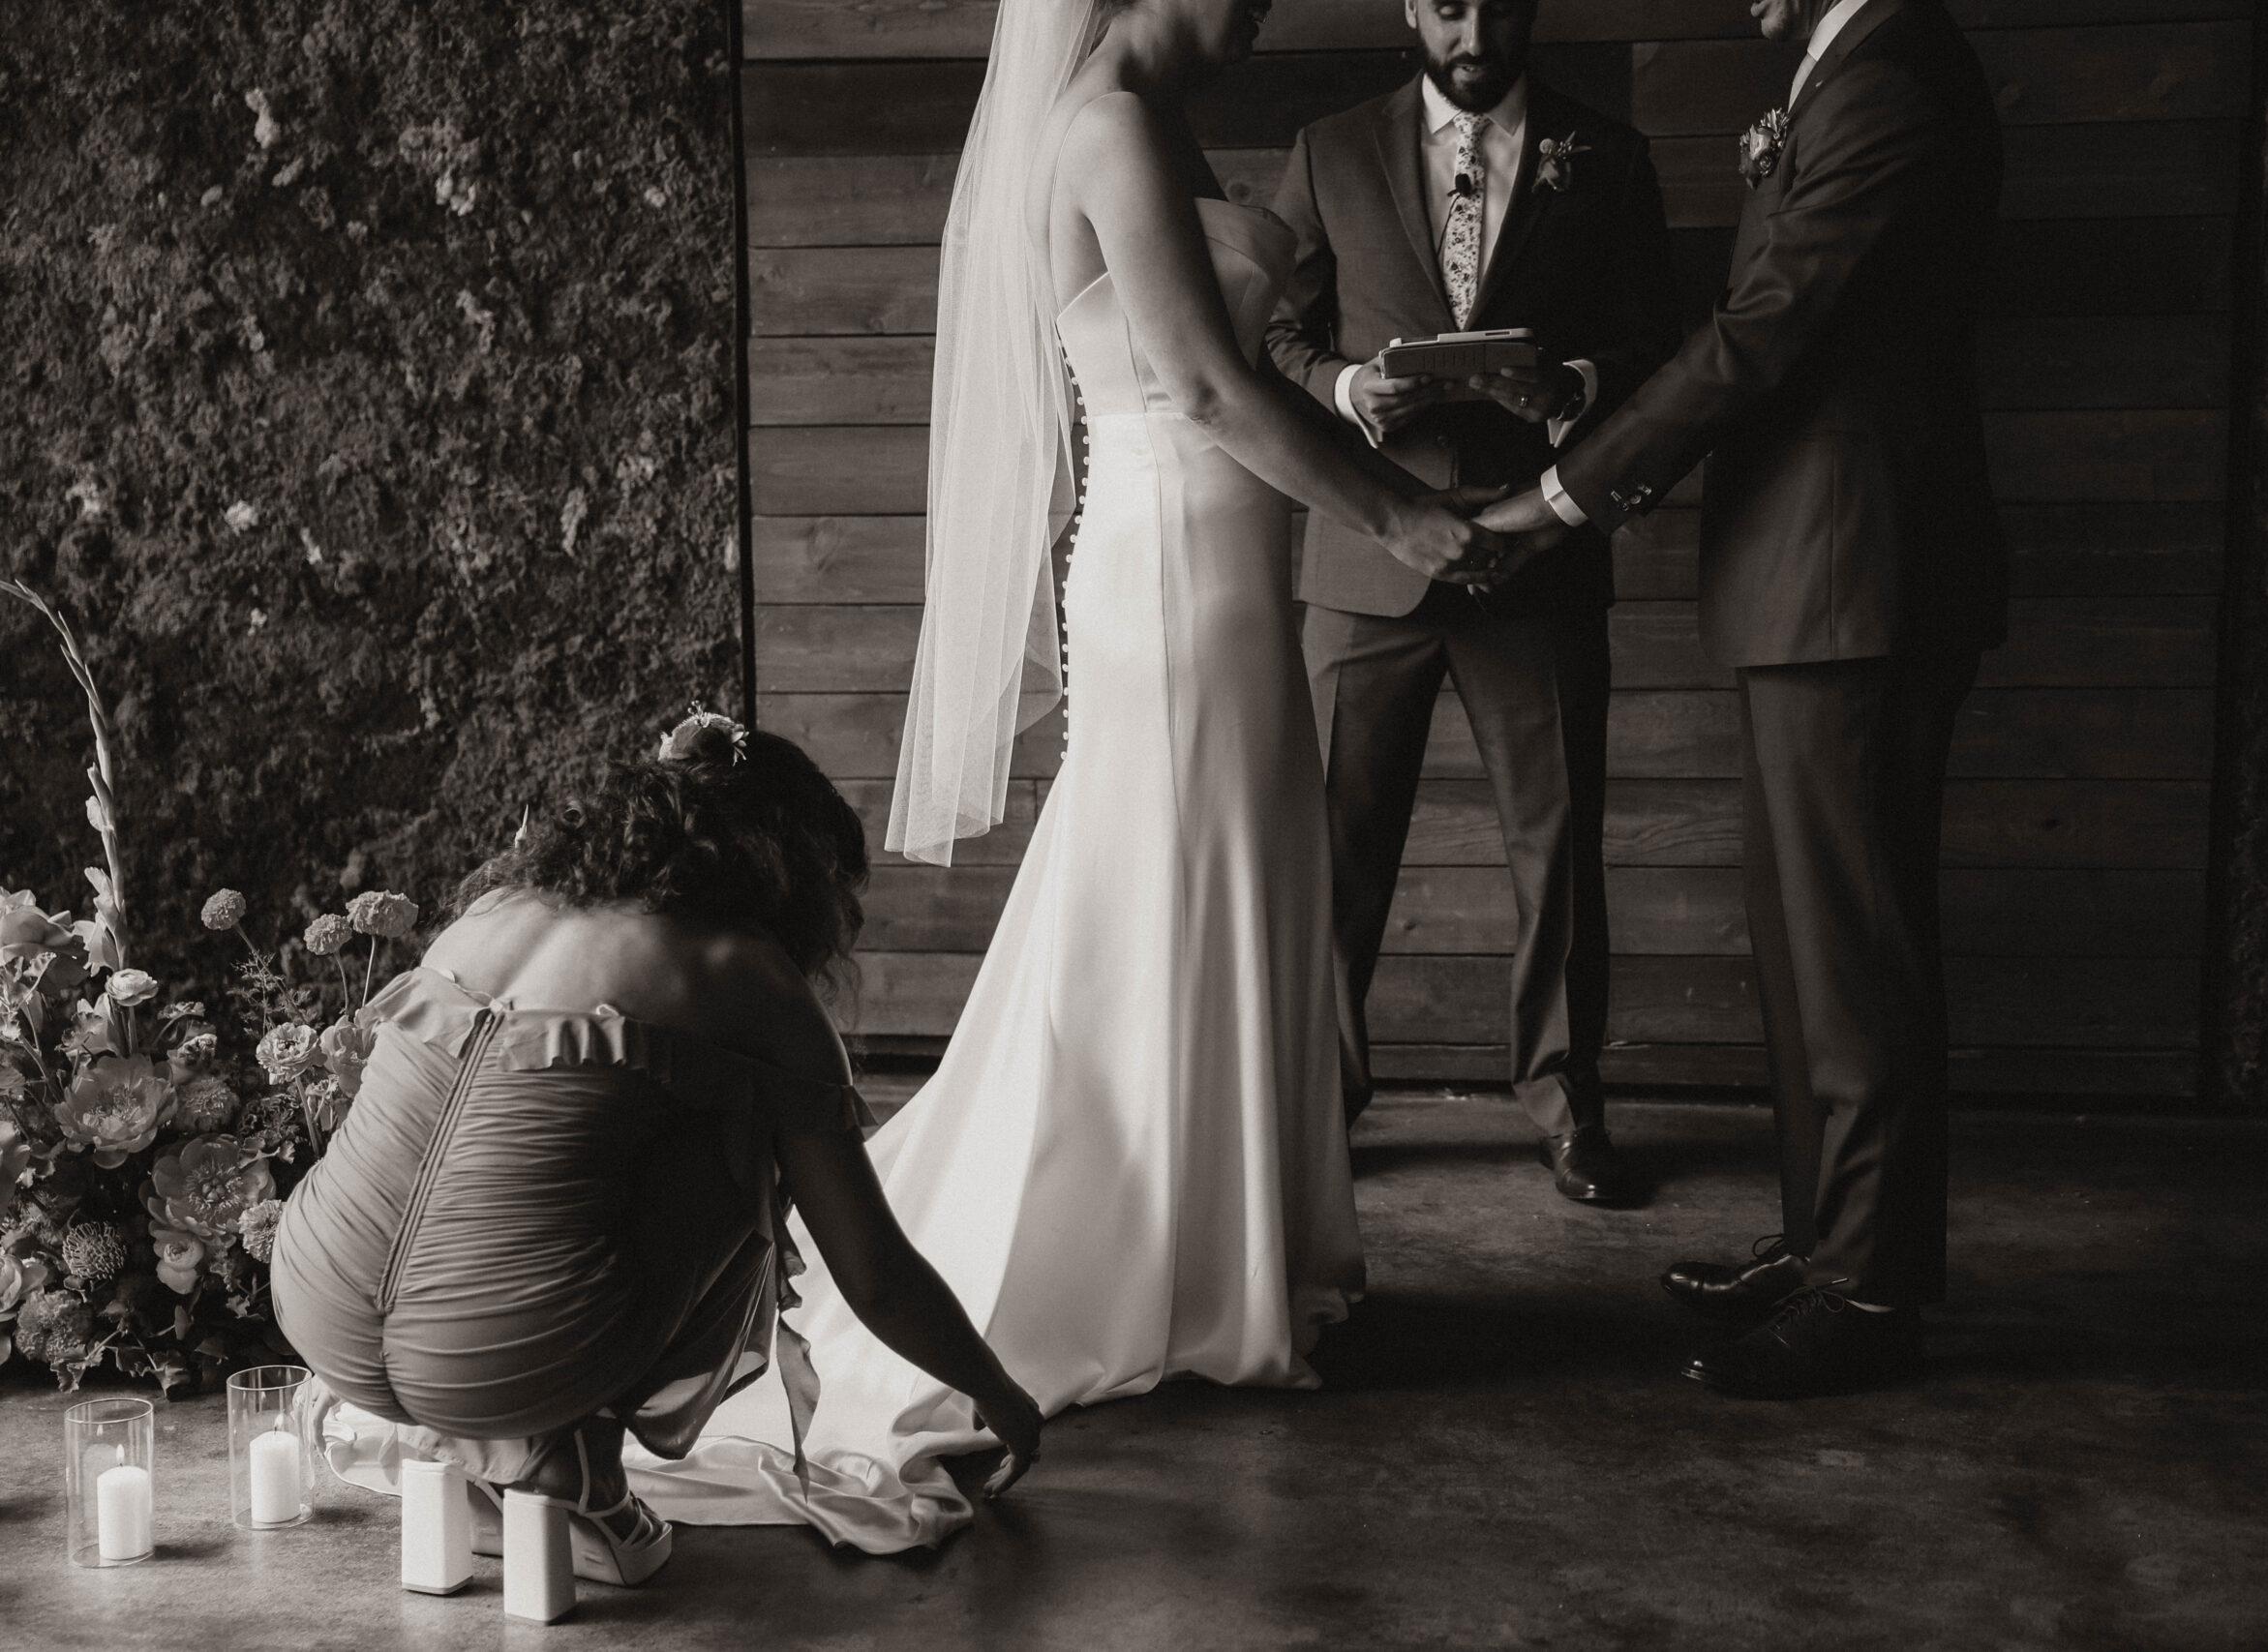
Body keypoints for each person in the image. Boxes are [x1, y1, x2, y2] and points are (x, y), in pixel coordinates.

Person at [636, 0, 1538, 1552]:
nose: (1260, 6)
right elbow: (1190, 387)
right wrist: (1398, 518)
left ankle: (1221, 1249)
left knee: (1230, 875)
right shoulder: (1111, 127)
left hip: (1228, 552)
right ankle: (1163, 1268)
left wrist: (1347, 401)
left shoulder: (1151, 119)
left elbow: (1239, 361)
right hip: (1179, 564)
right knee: (1177, 877)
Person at [1479, 0, 2007, 1396]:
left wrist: (1560, 491)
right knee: (1801, 943)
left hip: (1861, 571)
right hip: (1810, 578)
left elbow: (1767, 329)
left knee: (1855, 950)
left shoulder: (1892, 76)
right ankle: (1827, 1237)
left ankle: (1873, 1291)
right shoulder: (1849, 64)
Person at [272, 713, 1043, 1583]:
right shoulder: (746, 975)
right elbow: (872, 1273)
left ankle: (485, 1447)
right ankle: (573, 1466)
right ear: (782, 865)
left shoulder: (496, 907)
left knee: (526, 1149)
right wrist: (1001, 1393)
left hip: (315, 1303)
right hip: (506, 1351)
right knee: (743, 1137)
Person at [1264, 0, 1679, 1200]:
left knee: (1557, 851)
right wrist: (1345, 388)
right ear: (1410, 5)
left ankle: (1565, 1106)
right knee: (1335, 853)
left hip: (1534, 553)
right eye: (1448, 2)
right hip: (1366, 560)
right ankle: (1318, 1105)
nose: (1474, 25)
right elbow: (1272, 336)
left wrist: (1570, 384)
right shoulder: (1327, 149)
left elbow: (1654, 339)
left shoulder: (1609, 154)